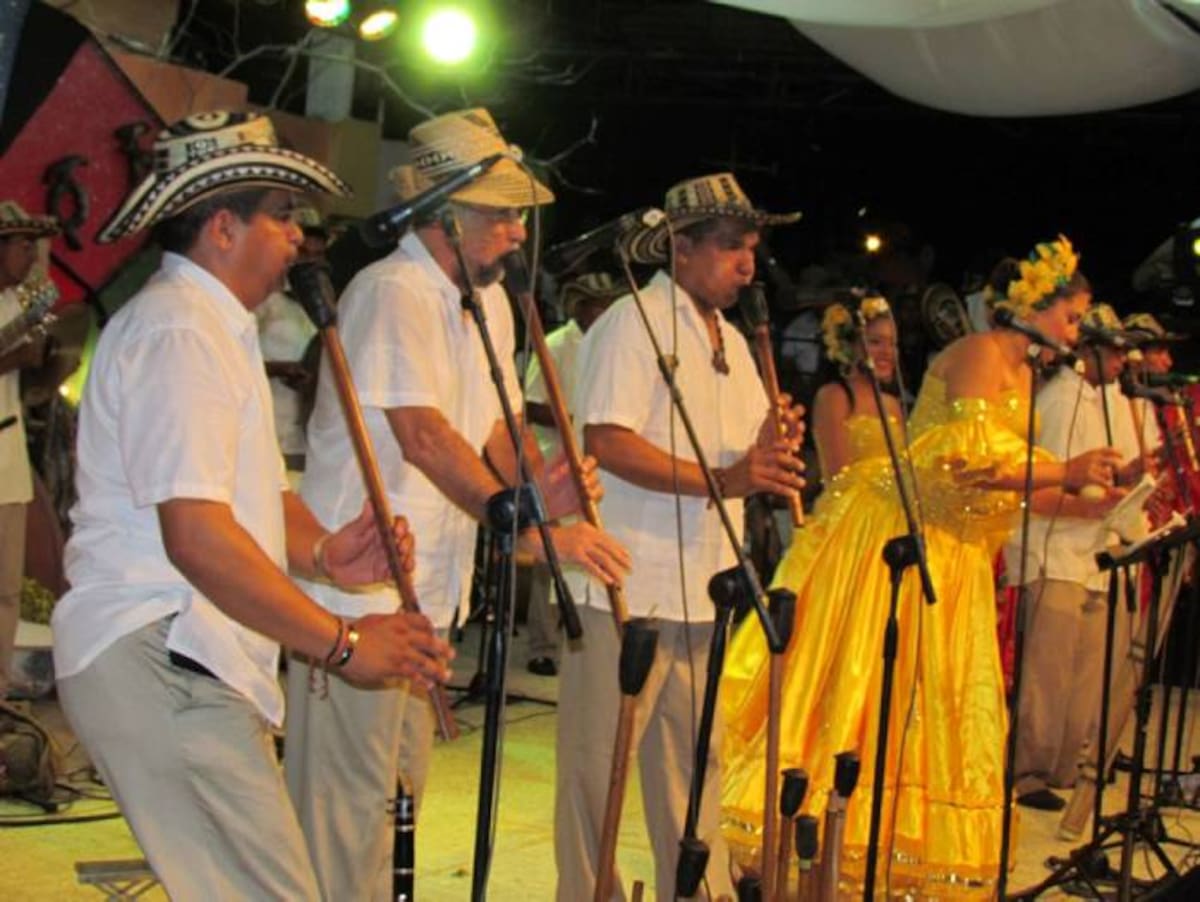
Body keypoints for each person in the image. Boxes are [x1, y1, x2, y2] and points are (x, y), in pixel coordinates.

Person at [50, 111, 454, 900]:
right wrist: (342, 644)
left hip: (184, 662)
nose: (299, 238)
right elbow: (196, 540)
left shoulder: (212, 327)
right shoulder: (181, 331)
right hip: (163, 654)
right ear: (225, 228)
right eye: (284, 216)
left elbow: (258, 497)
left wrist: (327, 554)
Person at [289, 108, 630, 899]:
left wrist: (547, 493)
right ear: (445, 213)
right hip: (361, 593)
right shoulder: (392, 290)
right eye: (502, 214)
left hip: (429, 594)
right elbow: (425, 438)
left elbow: (498, 433)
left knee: (396, 802)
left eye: (518, 214)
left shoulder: (490, 303)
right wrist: (521, 523)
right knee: (348, 818)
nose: (518, 232)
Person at [721, 235, 1119, 895]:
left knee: (938, 716)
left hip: (957, 561)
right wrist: (1065, 470)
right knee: (866, 700)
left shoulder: (1024, 374)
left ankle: (892, 854)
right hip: (899, 541)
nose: (1076, 332)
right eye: (1071, 317)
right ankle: (822, 839)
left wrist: (1086, 487)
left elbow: (1006, 484)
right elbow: (958, 465)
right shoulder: (978, 353)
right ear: (1030, 306)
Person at [554, 173, 807, 901]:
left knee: (696, 769)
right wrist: (726, 480)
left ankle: (693, 894)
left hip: (707, 587)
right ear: (680, 247)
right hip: (626, 586)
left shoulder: (730, 336)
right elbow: (606, 439)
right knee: (597, 773)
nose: (747, 264)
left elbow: (743, 455)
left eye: (752, 249)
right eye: (731, 246)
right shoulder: (632, 323)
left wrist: (772, 445)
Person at [720, 292, 902, 860]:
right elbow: (843, 472)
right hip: (848, 532)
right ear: (850, 347)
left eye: (892, 343)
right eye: (876, 343)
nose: (887, 353)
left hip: (888, 533)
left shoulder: (897, 403)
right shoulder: (835, 395)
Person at [1004, 303, 1145, 812]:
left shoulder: (1108, 401)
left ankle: (1065, 766)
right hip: (1055, 550)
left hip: (1094, 556)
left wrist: (1129, 479)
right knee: (1048, 674)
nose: (1123, 360)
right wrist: (1088, 500)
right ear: (1086, 351)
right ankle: (1029, 772)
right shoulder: (1060, 398)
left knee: (1086, 674)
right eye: (1113, 350)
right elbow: (1039, 480)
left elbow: (1100, 477)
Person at [522, 271, 627, 676]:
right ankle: (541, 645)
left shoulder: (611, 345)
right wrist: (574, 422)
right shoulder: (556, 345)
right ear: (577, 305)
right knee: (550, 554)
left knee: (585, 552)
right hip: (553, 462)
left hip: (593, 464)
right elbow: (530, 404)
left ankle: (577, 641)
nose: (603, 312)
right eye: (595, 304)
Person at [0, 201, 59, 700]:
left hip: (11, 465)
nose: (28, 257)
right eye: (20, 246)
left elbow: (34, 376)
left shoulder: (18, 304)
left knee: (6, 595)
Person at [255, 205, 328, 478]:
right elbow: (233, 358)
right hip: (272, 429)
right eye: (305, 254)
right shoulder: (264, 298)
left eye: (319, 255)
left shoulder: (325, 306)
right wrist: (277, 370)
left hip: (308, 437)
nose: (311, 263)